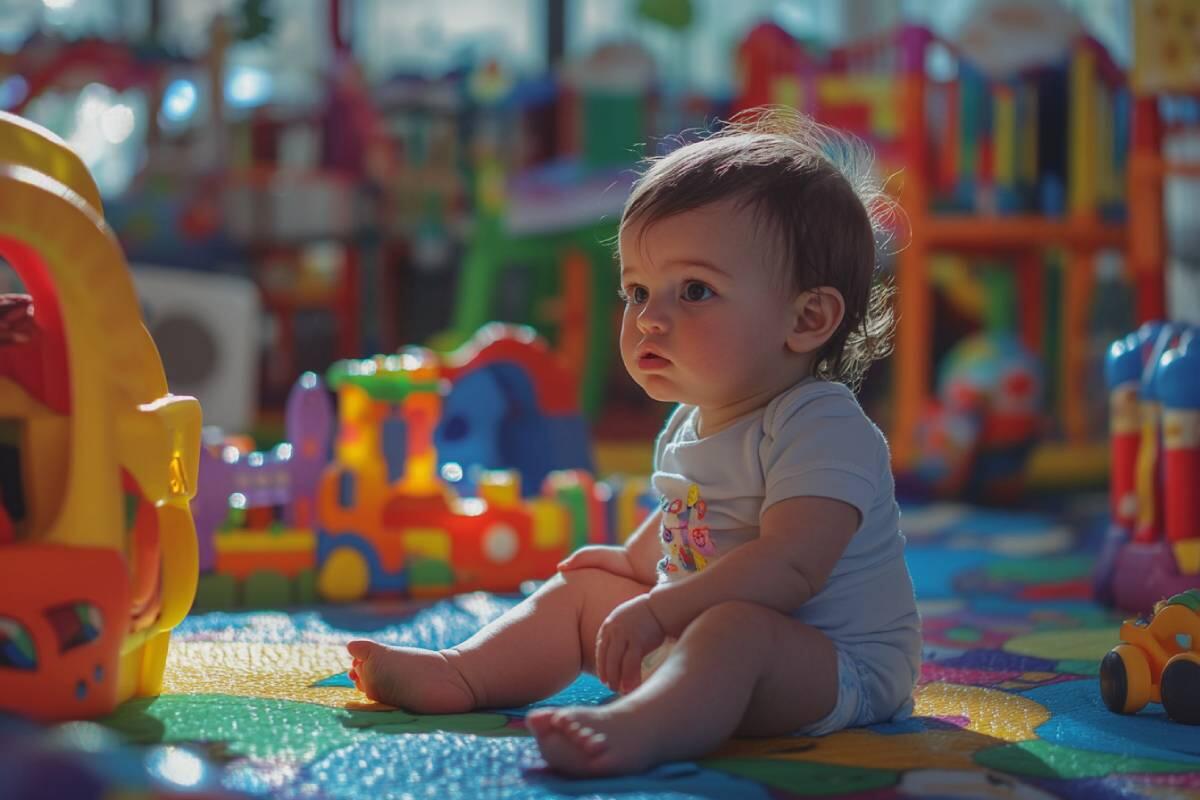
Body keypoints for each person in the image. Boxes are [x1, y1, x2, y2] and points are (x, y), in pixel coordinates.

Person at [346, 107, 920, 777]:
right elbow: (690, 517)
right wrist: (628, 562)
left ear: (807, 318)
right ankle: (462, 674)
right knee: (588, 587)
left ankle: (639, 728)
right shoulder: (692, 418)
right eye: (637, 290)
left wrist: (659, 606)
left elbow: (789, 568)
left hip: (834, 667)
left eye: (695, 291)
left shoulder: (821, 424)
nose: (649, 318)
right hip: (698, 632)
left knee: (732, 629)